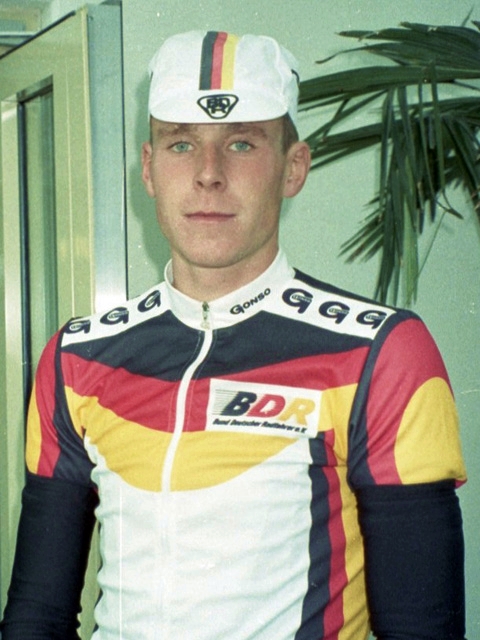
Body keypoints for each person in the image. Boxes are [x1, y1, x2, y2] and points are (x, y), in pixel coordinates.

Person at [0, 30, 467, 640]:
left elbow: (421, 628)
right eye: (182, 144)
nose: (208, 175)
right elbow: (36, 616)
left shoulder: (380, 352)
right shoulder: (75, 356)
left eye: (242, 143)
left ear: (293, 168)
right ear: (149, 168)